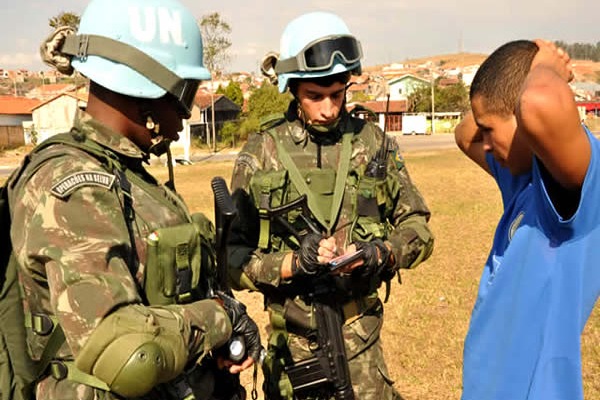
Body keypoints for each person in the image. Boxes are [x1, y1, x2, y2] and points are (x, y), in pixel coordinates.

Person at [6, 0, 262, 399]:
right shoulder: (75, 187)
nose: (185, 117)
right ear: (150, 87)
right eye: (185, 94)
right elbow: (130, 353)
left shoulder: (125, 174)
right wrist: (221, 317)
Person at [227, 11, 434, 400]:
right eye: (315, 96)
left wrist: (382, 253)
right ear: (292, 88)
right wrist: (291, 264)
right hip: (294, 355)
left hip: (363, 349)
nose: (329, 108)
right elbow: (230, 260)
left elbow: (419, 225)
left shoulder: (373, 142)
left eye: (338, 94)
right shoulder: (261, 153)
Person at [455, 39, 600, 400]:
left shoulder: (576, 181)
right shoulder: (523, 180)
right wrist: (510, 81)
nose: (484, 143)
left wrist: (547, 64)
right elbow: (463, 133)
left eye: (490, 130)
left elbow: (538, 104)